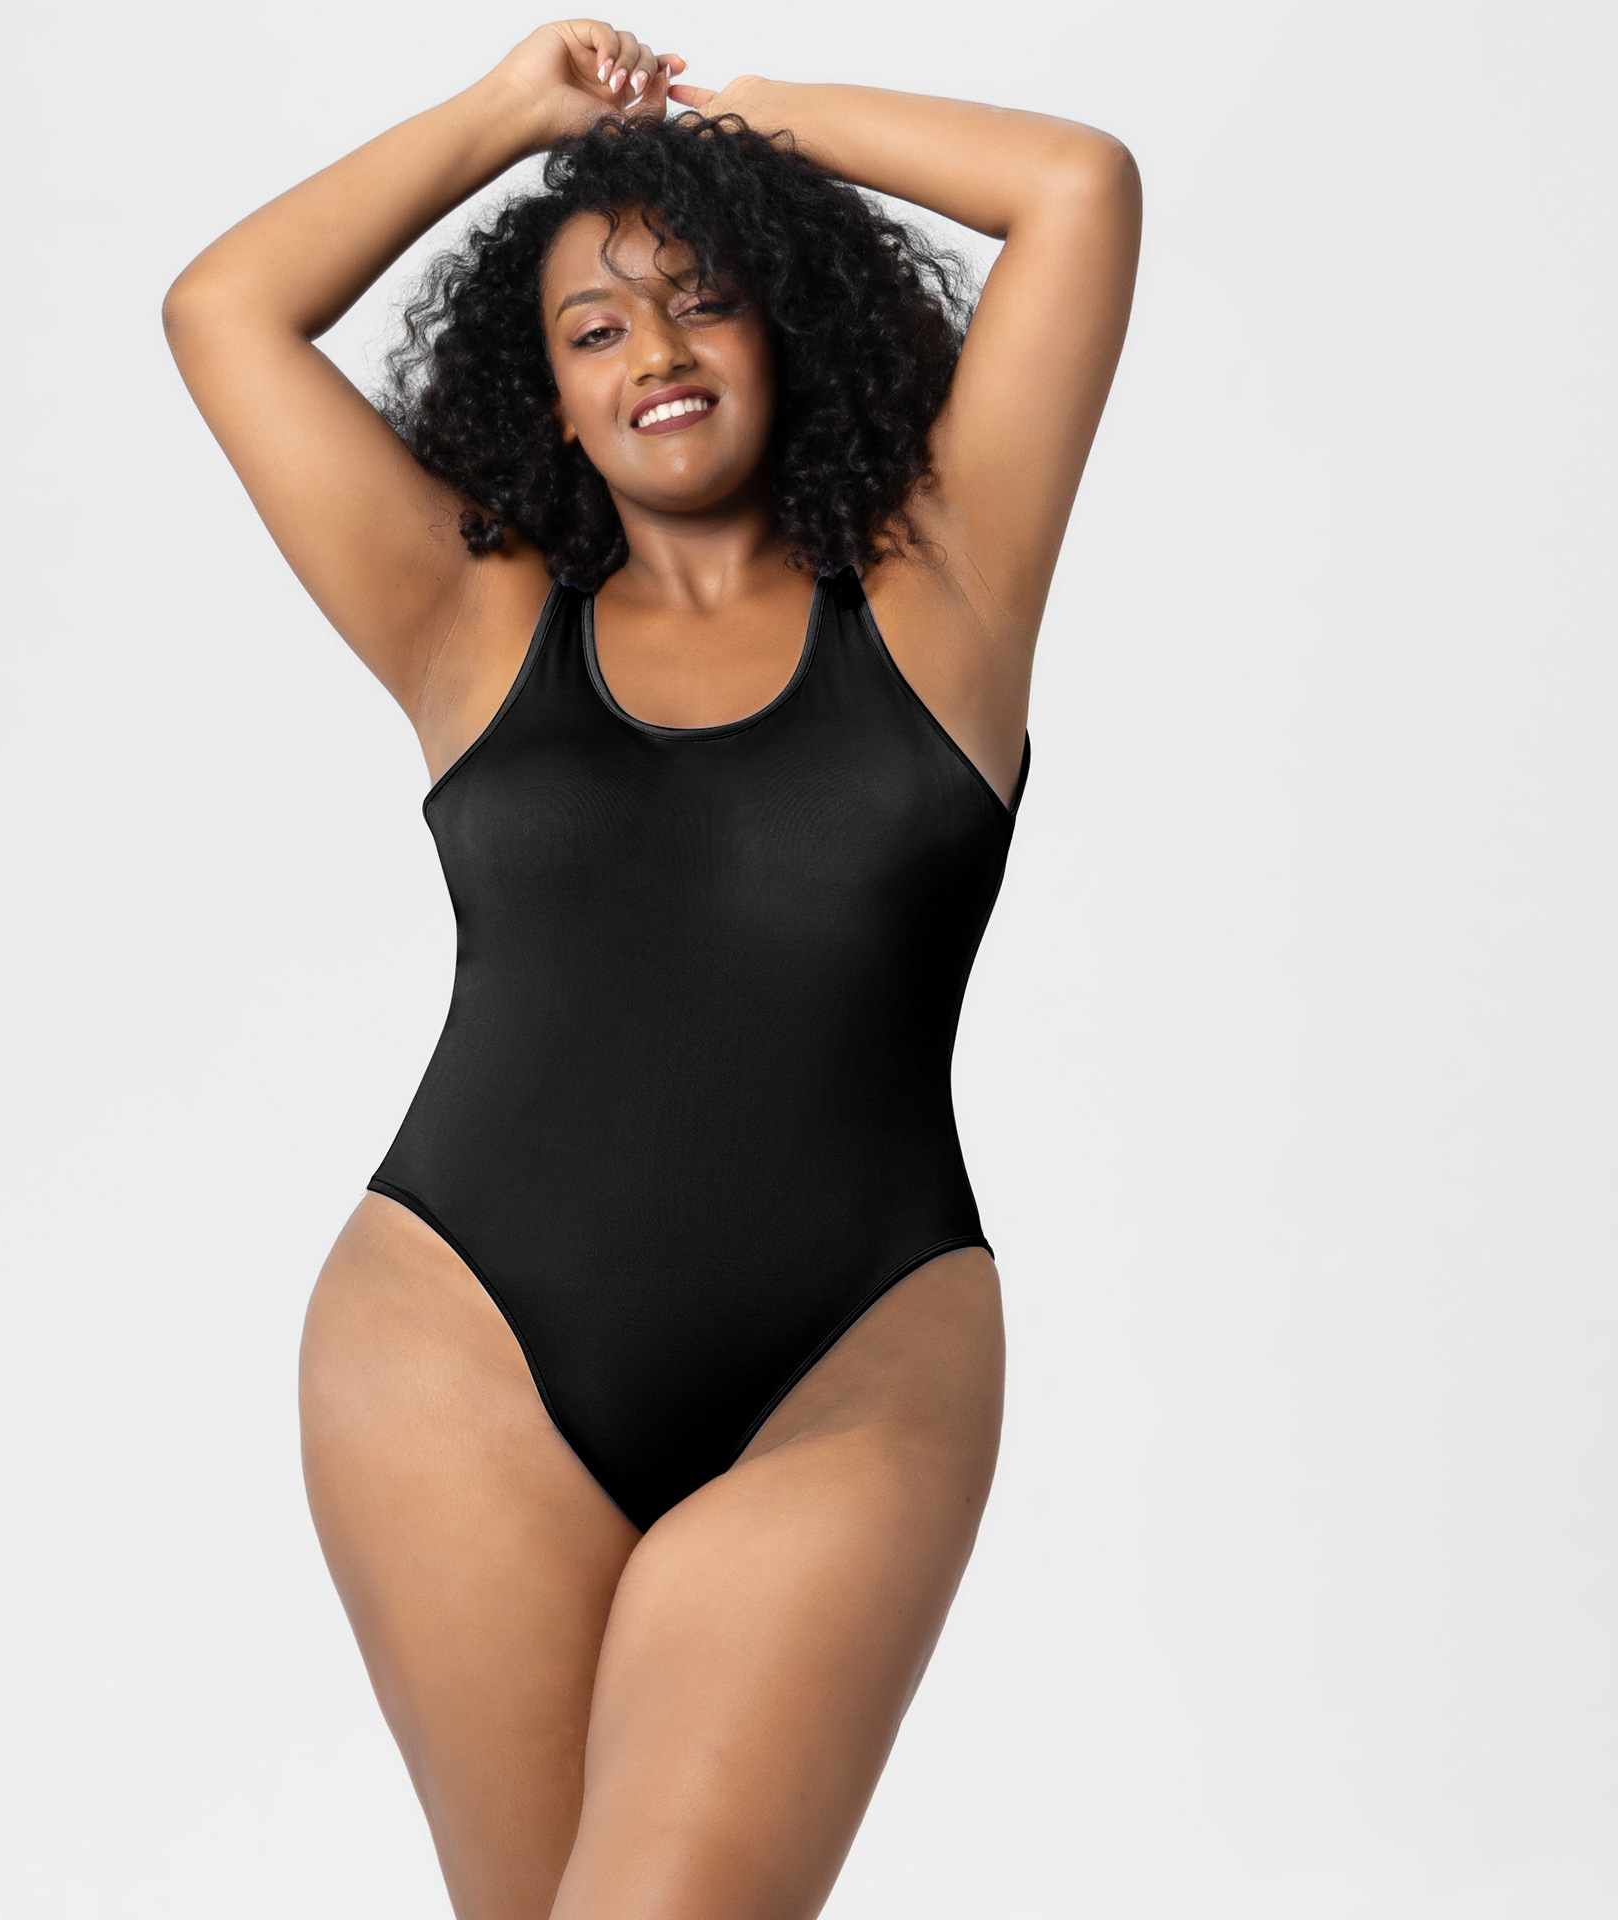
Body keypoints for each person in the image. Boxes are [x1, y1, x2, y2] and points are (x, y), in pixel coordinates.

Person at [163, 20, 1139, 1918]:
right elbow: (225, 311)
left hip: (860, 1354)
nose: (657, 356)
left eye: (703, 301)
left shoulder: (946, 582)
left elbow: (1075, 186)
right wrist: (505, 119)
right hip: (457, 1353)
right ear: (546, 393)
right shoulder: (470, 619)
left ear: (785, 323)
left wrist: (720, 131)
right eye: (596, 329)